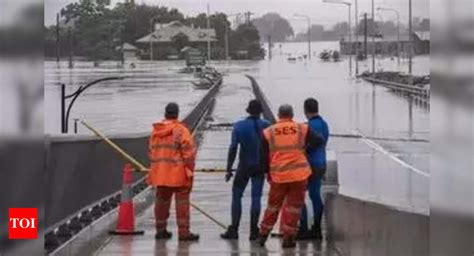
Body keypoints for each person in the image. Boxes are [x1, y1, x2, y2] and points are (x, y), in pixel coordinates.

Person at [258, 104, 323, 248]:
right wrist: (304, 149)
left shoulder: (268, 131)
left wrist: (267, 172)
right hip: (299, 175)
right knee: (293, 208)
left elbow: (263, 156)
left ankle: (263, 235)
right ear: (292, 115)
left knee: (273, 206)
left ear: (279, 115)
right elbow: (319, 140)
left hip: (279, 175)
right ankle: (288, 239)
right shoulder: (302, 128)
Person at [147, 102, 199, 241]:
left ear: (165, 113)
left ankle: (161, 230)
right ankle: (184, 233)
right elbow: (188, 154)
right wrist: (190, 170)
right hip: (178, 174)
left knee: (161, 201)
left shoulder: (156, 131)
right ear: (177, 114)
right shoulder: (181, 130)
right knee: (182, 203)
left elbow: (151, 153)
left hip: (160, 174)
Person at [221, 100, 271, 240]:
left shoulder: (239, 126)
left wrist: (229, 168)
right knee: (256, 198)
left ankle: (234, 229)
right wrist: (269, 168)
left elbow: (233, 148)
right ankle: (254, 230)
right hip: (259, 167)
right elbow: (270, 150)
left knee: (237, 196)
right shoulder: (267, 125)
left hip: (244, 166)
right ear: (261, 111)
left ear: (247, 111)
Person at [297, 98, 330, 240]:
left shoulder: (307, 126)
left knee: (298, 195)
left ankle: (303, 228)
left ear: (305, 110)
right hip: (321, 163)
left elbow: (306, 145)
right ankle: (317, 228)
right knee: (315, 195)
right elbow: (323, 142)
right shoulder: (324, 124)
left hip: (309, 165)